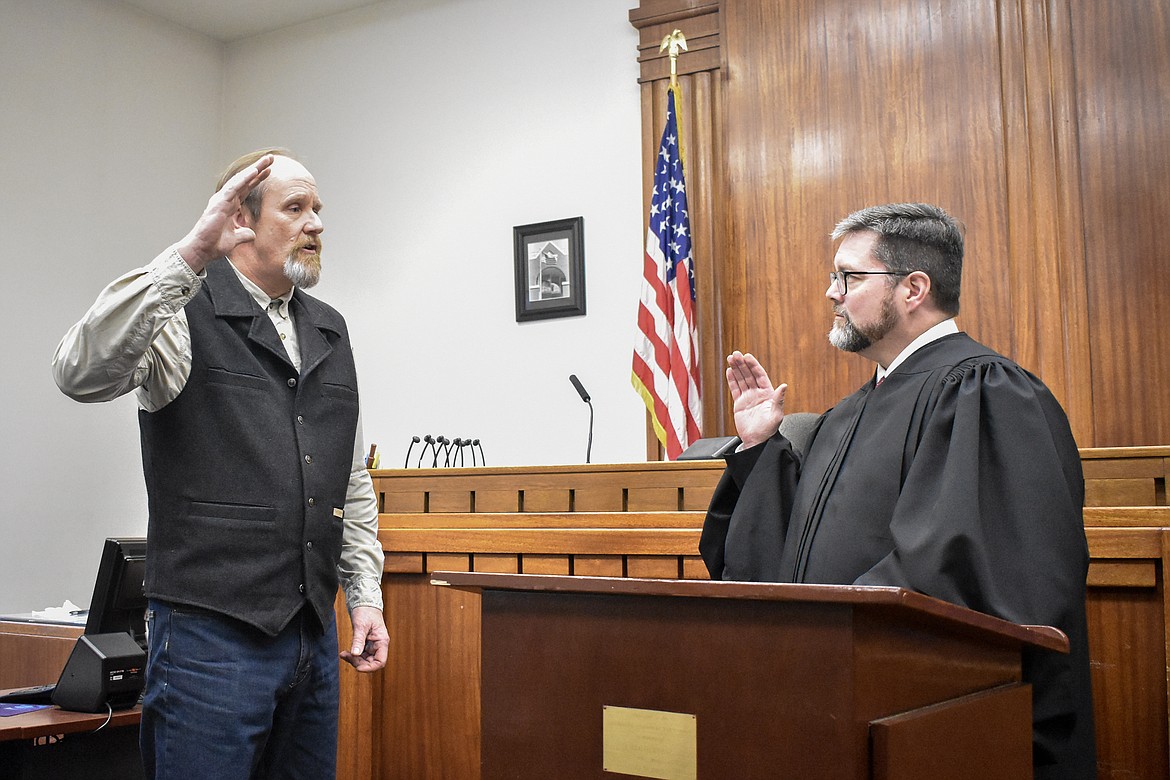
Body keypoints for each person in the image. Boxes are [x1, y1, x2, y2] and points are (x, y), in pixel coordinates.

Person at [699, 203, 1096, 779]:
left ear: (913, 288)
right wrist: (761, 447)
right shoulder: (848, 414)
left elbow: (961, 572)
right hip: (839, 709)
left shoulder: (985, 392)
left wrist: (833, 645)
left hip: (932, 724)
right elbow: (788, 564)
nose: (832, 293)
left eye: (850, 277)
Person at [52, 149, 389, 779]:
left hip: (313, 637)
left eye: (317, 209)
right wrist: (187, 257)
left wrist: (364, 595)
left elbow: (348, 480)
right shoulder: (179, 314)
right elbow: (78, 372)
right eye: (295, 208)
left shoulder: (330, 330)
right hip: (210, 642)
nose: (315, 223)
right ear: (241, 219)